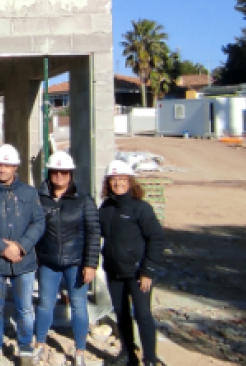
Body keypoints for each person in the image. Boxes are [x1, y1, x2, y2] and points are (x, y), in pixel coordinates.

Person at [0, 144, 45, 366]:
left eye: (7, 165)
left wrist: (21, 246)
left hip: (24, 261)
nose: (2, 169)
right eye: (0, 164)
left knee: (24, 308)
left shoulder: (30, 193)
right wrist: (1, 247)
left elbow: (39, 222)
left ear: (15, 167)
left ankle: (25, 350)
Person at [33, 151, 100, 366]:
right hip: (48, 262)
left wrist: (90, 263)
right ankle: (40, 344)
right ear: (50, 173)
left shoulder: (83, 199)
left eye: (64, 172)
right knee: (44, 304)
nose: (60, 176)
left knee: (78, 305)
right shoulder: (39, 198)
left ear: (70, 174)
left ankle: (80, 350)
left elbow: (93, 232)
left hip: (76, 263)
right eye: (55, 171)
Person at [99, 161, 165, 366]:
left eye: (122, 179)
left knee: (143, 314)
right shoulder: (106, 208)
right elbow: (97, 234)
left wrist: (148, 271)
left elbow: (156, 239)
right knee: (121, 314)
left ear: (130, 181)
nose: (118, 183)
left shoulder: (141, 209)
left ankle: (150, 359)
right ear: (108, 183)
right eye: (114, 180)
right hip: (114, 271)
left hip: (138, 273)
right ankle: (128, 354)